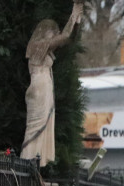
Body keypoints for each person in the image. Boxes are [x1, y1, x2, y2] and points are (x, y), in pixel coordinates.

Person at [22, 1, 84, 167]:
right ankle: (27, 162)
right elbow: (64, 37)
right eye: (53, 33)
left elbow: (69, 39)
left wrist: (77, 17)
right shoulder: (37, 46)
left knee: (42, 128)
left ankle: (35, 164)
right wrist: (74, 11)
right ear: (44, 32)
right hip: (39, 88)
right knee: (35, 129)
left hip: (45, 88)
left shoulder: (45, 48)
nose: (55, 36)